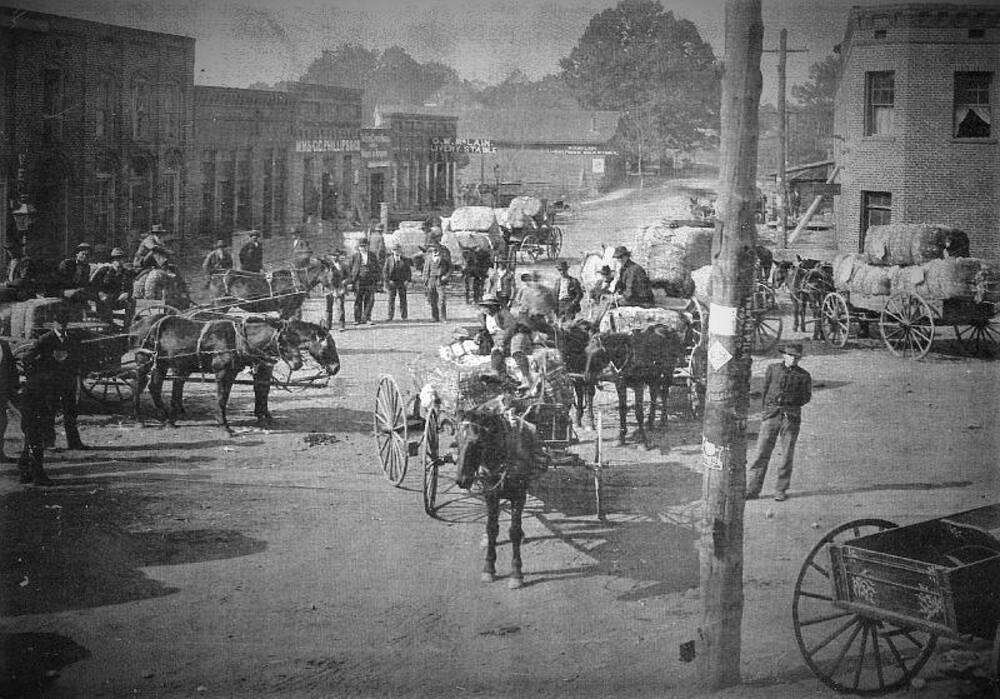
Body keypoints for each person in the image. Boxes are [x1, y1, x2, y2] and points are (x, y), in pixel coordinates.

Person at [18, 308, 86, 485]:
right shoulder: (45, 339)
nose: (62, 326)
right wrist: (50, 365)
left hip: (67, 382)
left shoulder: (72, 338)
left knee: (71, 411)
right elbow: (28, 358)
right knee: (46, 417)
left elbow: (77, 357)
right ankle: (48, 444)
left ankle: (74, 441)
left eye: (65, 323)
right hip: (50, 385)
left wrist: (73, 369)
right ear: (54, 324)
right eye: (59, 323)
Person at [746, 343, 812, 502]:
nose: (793, 359)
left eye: (797, 357)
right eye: (791, 356)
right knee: (761, 453)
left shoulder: (804, 376)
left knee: (786, 455)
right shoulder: (773, 369)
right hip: (771, 415)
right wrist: (767, 412)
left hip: (790, 418)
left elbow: (805, 397)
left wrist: (790, 404)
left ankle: (781, 489)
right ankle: (752, 489)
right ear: (784, 355)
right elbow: (765, 391)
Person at [477, 296, 537, 390]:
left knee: (516, 351)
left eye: (488, 306)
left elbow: (511, 327)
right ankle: (495, 373)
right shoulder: (484, 317)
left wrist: (504, 340)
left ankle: (526, 379)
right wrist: (479, 335)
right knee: (496, 351)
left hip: (515, 334)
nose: (485, 309)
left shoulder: (503, 313)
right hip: (500, 338)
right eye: (484, 306)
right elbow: (485, 329)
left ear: (494, 306)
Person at [90, 248, 134, 323]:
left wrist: (127, 294)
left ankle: (127, 324)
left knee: (132, 300)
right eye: (116, 259)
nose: (118, 261)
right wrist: (101, 294)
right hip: (103, 300)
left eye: (121, 259)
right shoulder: (104, 271)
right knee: (105, 300)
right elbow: (94, 285)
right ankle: (108, 324)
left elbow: (130, 287)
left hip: (118, 300)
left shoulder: (126, 273)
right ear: (112, 261)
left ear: (124, 260)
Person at [348, 238, 380, 325]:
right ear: (358, 247)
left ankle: (367, 318)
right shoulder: (355, 256)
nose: (363, 248)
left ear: (368, 246)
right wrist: (351, 281)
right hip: (358, 280)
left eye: (365, 246)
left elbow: (377, 268)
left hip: (370, 280)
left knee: (369, 300)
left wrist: (377, 279)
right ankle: (357, 319)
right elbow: (350, 269)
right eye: (361, 246)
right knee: (358, 299)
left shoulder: (372, 256)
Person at [422, 232, 451, 322]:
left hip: (440, 279)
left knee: (442, 299)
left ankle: (443, 317)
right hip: (431, 279)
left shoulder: (444, 255)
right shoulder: (429, 256)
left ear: (438, 246)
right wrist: (425, 280)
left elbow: (450, 267)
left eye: (435, 246)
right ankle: (435, 317)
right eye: (432, 247)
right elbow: (426, 268)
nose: (433, 248)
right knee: (432, 299)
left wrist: (446, 276)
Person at [0, 338, 19, 463]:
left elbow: (11, 368)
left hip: (2, 391)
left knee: (2, 422)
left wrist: (15, 387)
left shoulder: (4, 345)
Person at [381, 243, 412, 321]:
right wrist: (388, 280)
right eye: (395, 250)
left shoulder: (405, 260)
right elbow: (385, 272)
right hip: (392, 282)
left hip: (402, 282)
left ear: (400, 250)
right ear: (392, 251)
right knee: (391, 299)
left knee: (403, 299)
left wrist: (407, 280)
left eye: (398, 250)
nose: (396, 251)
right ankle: (390, 316)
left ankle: (404, 316)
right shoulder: (389, 260)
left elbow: (408, 271)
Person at [324, 249, 348, 332]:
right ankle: (328, 325)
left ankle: (341, 325)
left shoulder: (343, 265)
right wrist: (326, 284)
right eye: (333, 255)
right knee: (328, 307)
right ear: (330, 256)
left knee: (340, 307)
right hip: (329, 289)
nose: (334, 257)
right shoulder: (327, 266)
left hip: (339, 289)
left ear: (338, 256)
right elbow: (323, 276)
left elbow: (349, 276)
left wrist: (345, 281)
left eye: (336, 255)